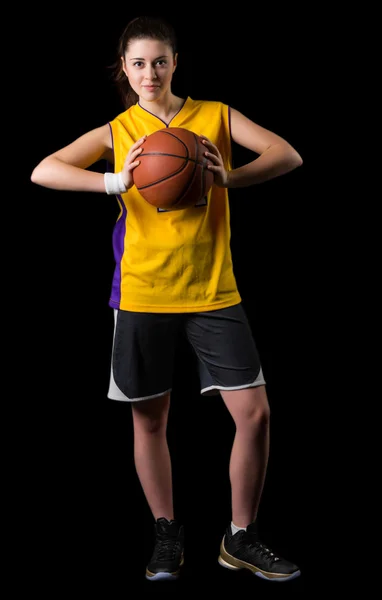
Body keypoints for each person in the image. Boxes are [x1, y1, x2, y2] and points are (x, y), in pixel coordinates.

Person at [31, 15, 303, 583]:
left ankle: (240, 536)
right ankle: (166, 533)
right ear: (124, 70)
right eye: (138, 63)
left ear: (176, 62)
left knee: (254, 414)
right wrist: (113, 182)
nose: (149, 72)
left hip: (211, 288)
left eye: (159, 61)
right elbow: (44, 171)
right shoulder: (119, 130)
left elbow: (287, 154)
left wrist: (228, 179)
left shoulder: (215, 116)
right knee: (149, 421)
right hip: (143, 291)